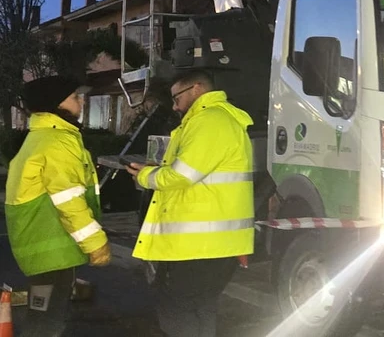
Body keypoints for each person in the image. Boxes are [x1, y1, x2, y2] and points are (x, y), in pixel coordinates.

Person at [126, 69, 254, 337]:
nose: (175, 106)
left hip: (200, 245)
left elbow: (182, 175)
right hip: (211, 243)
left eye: (176, 98)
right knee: (199, 307)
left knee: (176, 306)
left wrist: (145, 175)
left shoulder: (209, 121)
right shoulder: (215, 120)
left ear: (195, 89)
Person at [4, 75, 111, 337]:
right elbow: (69, 199)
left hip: (45, 246)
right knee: (48, 318)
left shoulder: (44, 137)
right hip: (53, 246)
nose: (81, 101)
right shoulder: (57, 142)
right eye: (75, 97)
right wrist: (95, 243)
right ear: (56, 105)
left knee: (43, 312)